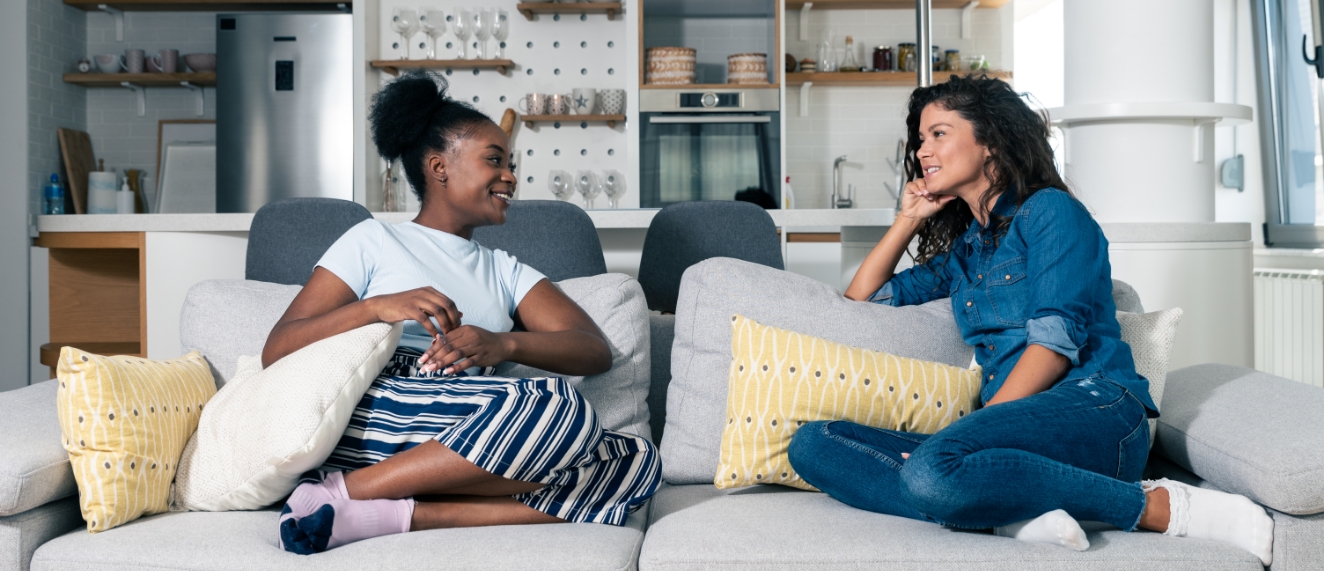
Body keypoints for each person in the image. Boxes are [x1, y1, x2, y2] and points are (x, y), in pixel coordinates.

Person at [784, 75, 1274, 566]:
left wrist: (972, 434)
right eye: (919, 138)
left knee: (931, 470)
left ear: (991, 142)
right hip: (1009, 434)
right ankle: (1008, 512)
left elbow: (1053, 346)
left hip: (1095, 410)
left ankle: (1155, 507)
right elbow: (866, 297)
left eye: (939, 133)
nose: (922, 150)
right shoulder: (968, 252)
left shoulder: (1052, 213)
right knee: (814, 444)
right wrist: (908, 217)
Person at [264, 72, 660, 554]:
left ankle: (388, 510)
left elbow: (592, 350)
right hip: (377, 411)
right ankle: (340, 491)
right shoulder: (373, 239)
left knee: (637, 464)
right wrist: (376, 308)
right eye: (494, 160)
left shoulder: (506, 270)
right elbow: (277, 349)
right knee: (560, 407)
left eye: (511, 164)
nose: (511, 176)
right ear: (439, 167)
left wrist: (503, 343)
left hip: (466, 424)